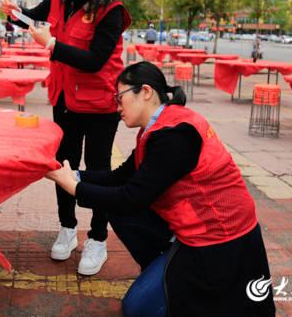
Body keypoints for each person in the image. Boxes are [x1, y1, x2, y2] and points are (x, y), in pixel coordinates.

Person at [46, 61, 276, 316]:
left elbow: (131, 197)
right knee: (116, 209)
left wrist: (74, 187)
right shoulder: (158, 128)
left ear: (145, 92)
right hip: (194, 230)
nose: (116, 106)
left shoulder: (174, 136)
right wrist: (67, 174)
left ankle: (177, 270)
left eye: (119, 97)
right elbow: (119, 177)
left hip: (219, 239)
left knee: (138, 309)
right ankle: (168, 261)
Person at [1, 0, 131, 275]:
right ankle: (67, 228)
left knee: (99, 171)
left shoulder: (110, 10)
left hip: (99, 102)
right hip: (64, 98)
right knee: (63, 164)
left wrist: (53, 45)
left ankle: (98, 238)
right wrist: (15, 13)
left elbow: (94, 61)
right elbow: (31, 18)